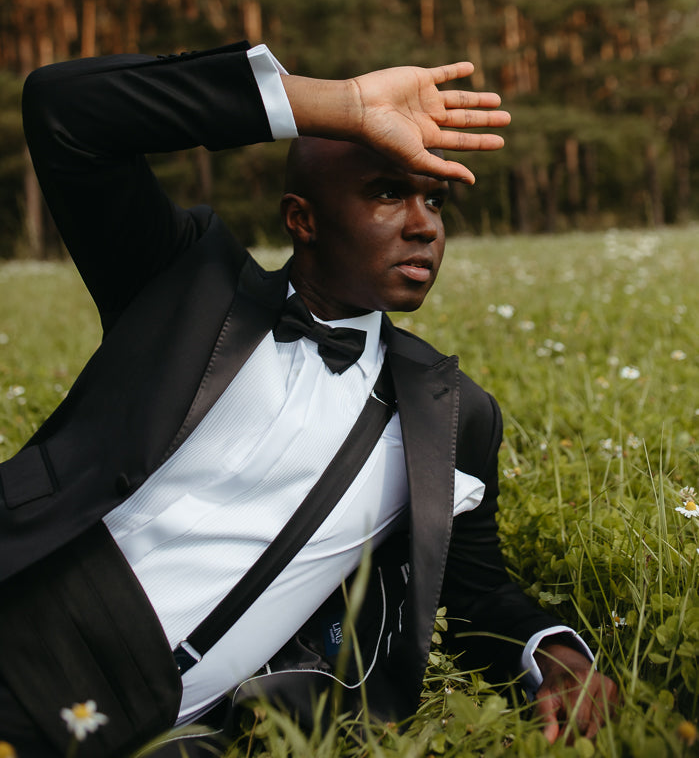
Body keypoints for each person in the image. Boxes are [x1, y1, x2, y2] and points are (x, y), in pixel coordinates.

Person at [0, 41, 617, 756]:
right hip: (29, 607)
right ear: (302, 219)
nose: (424, 226)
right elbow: (66, 110)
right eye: (388, 193)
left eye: (435, 200)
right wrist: (338, 105)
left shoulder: (453, 416)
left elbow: (476, 598)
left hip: (167, 722)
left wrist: (553, 653)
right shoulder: (186, 285)